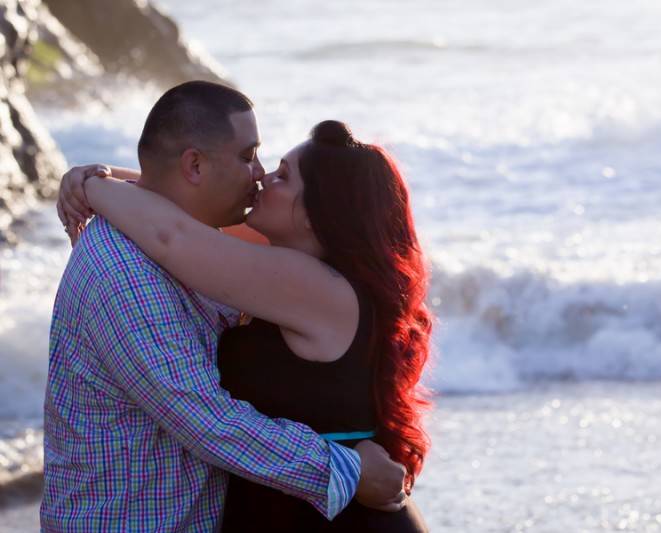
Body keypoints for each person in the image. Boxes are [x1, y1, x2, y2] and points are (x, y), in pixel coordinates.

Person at [44, 81, 408, 532]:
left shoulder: (280, 271)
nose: (258, 175)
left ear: (320, 212)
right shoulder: (127, 270)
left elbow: (170, 228)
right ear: (194, 164)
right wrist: (97, 181)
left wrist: (94, 184)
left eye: (277, 172)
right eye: (250, 156)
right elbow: (205, 420)